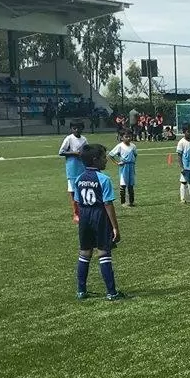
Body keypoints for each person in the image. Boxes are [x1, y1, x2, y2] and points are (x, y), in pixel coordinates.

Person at [73, 144, 126, 301]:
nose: (106, 160)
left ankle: (81, 290)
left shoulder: (79, 179)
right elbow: (108, 204)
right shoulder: (104, 179)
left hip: (84, 217)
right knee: (103, 252)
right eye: (104, 158)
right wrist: (115, 227)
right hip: (99, 217)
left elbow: (77, 200)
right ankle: (111, 292)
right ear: (95, 160)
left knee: (85, 252)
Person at [59, 121, 88, 223]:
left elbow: (86, 151)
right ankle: (76, 213)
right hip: (72, 167)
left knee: (82, 189)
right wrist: (74, 153)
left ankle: (83, 212)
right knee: (73, 191)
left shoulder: (84, 139)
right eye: (74, 128)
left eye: (79, 128)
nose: (76, 130)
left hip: (82, 167)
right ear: (71, 129)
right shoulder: (69, 139)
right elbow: (61, 152)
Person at [109, 131, 138, 207]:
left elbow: (135, 154)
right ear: (122, 138)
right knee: (123, 184)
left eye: (130, 136)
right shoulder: (120, 146)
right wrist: (117, 163)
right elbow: (111, 155)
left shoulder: (133, 146)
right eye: (126, 137)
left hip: (131, 167)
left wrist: (133, 161)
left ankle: (131, 202)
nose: (128, 138)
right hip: (124, 167)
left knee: (131, 184)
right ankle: (123, 202)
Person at [176, 124, 190, 203]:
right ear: (184, 132)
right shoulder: (181, 142)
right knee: (183, 182)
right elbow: (179, 155)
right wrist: (181, 167)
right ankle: (183, 199)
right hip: (185, 167)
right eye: (188, 132)